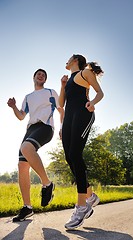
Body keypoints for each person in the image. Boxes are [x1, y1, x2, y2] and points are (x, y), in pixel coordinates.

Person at [7, 69, 64, 222]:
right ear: (34, 77)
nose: (41, 76)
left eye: (44, 75)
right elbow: (21, 116)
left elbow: (60, 109)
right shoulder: (28, 97)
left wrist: (62, 127)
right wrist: (13, 107)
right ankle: (27, 207)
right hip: (31, 129)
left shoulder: (51, 92)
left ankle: (47, 184)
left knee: (26, 148)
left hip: (45, 127)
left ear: (45, 80)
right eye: (38, 74)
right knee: (22, 165)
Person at [59, 54, 104, 229]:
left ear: (75, 60)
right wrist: (62, 85)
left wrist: (92, 103)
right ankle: (90, 196)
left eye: (68, 58)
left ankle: (82, 206)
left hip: (83, 113)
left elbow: (100, 92)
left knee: (76, 154)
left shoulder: (85, 73)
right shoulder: (69, 80)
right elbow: (61, 103)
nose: (66, 60)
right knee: (69, 158)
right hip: (69, 118)